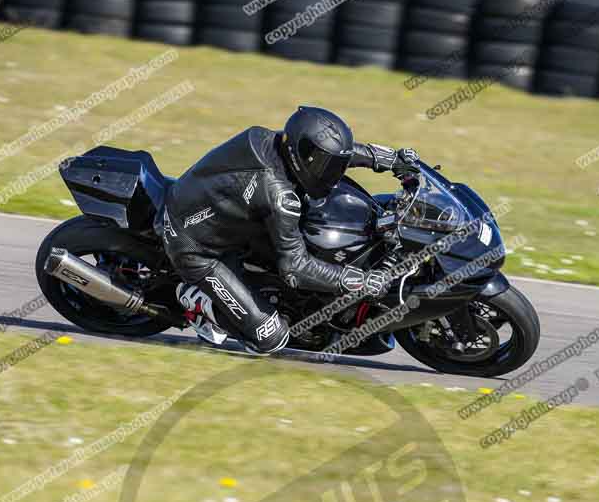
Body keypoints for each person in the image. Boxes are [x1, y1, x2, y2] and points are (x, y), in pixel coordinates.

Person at [162, 106, 420, 354]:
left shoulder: (275, 142)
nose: (331, 175)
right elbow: (295, 270)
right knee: (271, 337)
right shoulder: (279, 196)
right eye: (325, 167)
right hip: (197, 248)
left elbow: (329, 153)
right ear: (301, 157)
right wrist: (360, 282)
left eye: (333, 166)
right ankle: (197, 300)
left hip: (212, 212)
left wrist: (387, 160)